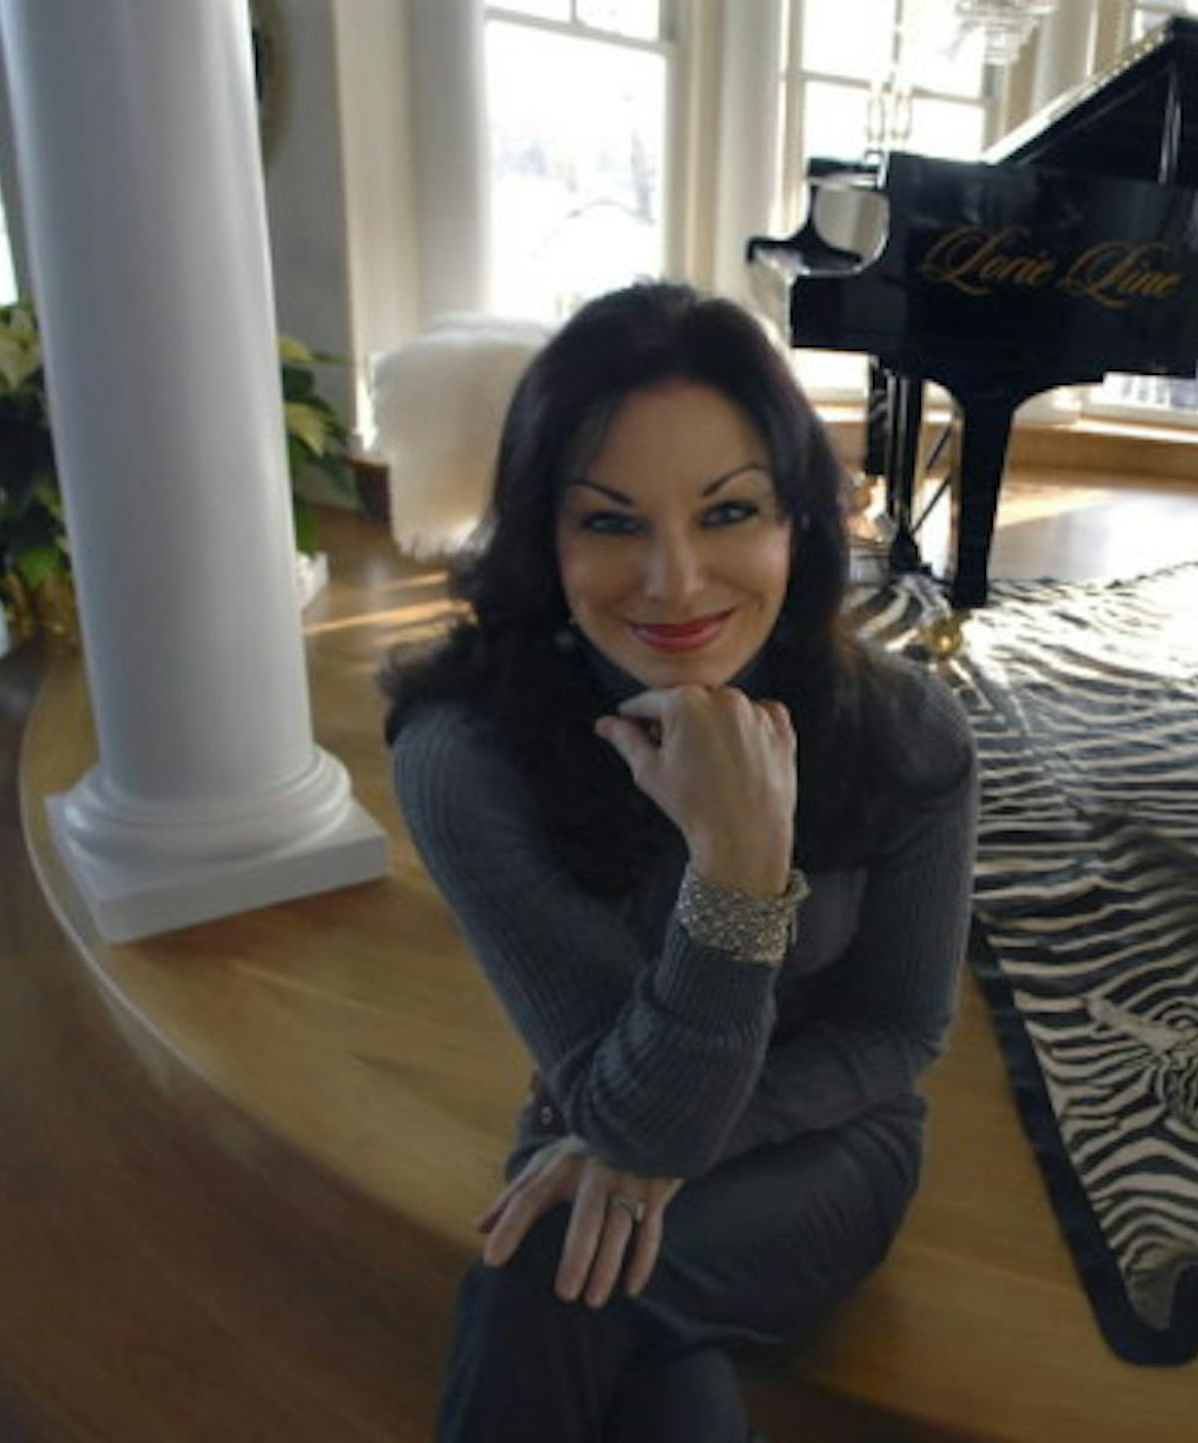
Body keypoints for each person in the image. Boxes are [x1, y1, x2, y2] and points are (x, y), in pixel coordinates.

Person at [383, 282, 977, 1442]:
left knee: (557, 1266)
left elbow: (900, 1034)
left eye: (727, 512)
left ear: (796, 521)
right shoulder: (465, 753)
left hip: (824, 1145)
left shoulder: (906, 732)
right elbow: (627, 1103)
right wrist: (739, 873)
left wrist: (658, 1153)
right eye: (609, 521)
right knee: (592, 1300)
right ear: (539, 533)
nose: (675, 581)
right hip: (598, 1109)